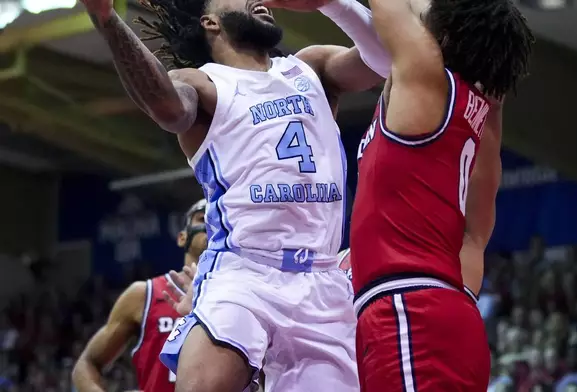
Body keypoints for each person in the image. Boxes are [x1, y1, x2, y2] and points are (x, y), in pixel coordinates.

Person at [77, 0, 390, 390]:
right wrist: (108, 21)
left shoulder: (310, 67)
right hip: (245, 272)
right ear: (210, 21)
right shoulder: (202, 82)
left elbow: (384, 59)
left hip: (322, 283)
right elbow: (168, 109)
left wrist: (333, 2)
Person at [350, 0, 534, 390]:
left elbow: (390, 8)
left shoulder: (425, 77)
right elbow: (476, 236)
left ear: (443, 35)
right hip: (449, 315)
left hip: (410, 313)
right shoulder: (482, 115)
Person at [71, 200, 208, 392]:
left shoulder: (242, 298)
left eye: (217, 218)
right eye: (202, 218)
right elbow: (87, 365)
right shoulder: (145, 294)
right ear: (182, 238)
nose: (211, 223)